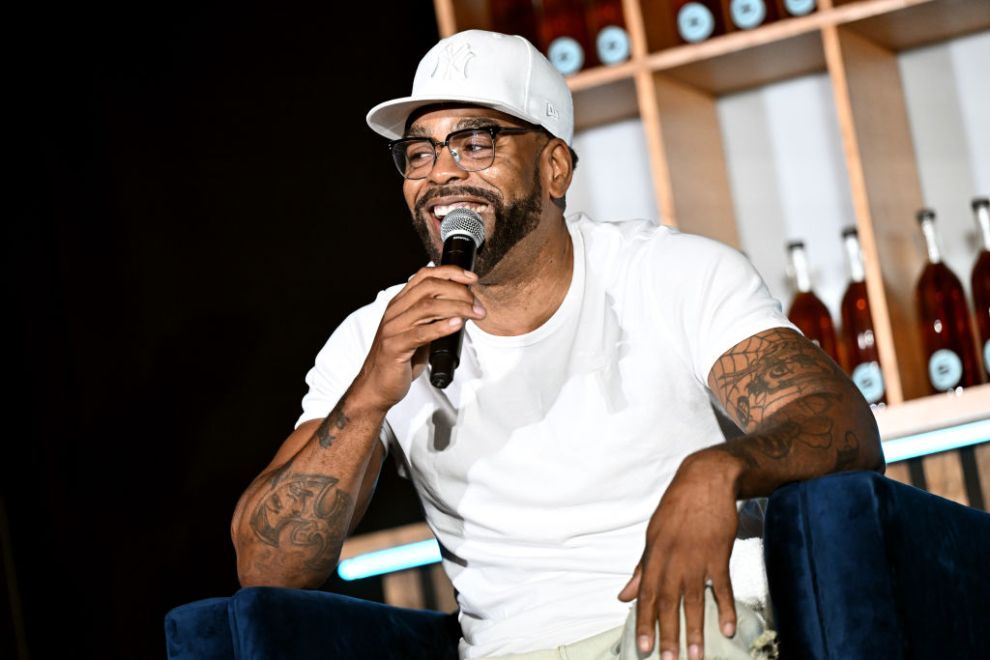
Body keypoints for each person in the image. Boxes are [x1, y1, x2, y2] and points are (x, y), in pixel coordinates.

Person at [230, 29, 884, 660]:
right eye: (421, 153)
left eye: (475, 143)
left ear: (555, 167)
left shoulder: (672, 275)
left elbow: (844, 427)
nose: (440, 175)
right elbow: (265, 568)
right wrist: (369, 397)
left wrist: (718, 468)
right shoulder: (375, 337)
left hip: (684, 622)